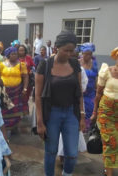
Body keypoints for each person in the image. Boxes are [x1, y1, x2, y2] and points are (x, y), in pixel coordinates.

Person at [35, 30, 85, 176]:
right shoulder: (44, 65)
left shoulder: (75, 64)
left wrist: (82, 115)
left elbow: (79, 92)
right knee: (51, 151)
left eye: (72, 51)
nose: (70, 54)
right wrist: (40, 122)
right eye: (66, 50)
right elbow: (37, 96)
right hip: (52, 114)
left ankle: (67, 174)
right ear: (57, 48)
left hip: (71, 113)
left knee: (72, 154)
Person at [90, 47, 118, 176]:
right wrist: (95, 113)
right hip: (106, 112)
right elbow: (98, 94)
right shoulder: (107, 71)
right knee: (110, 141)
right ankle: (109, 172)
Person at [0, 46, 29, 129]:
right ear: (8, 55)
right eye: (13, 54)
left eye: (16, 54)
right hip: (5, 92)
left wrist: (25, 89)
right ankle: (5, 127)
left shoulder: (21, 65)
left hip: (17, 91)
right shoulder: (2, 64)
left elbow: (25, 77)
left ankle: (15, 127)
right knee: (4, 109)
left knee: (16, 110)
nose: (15, 55)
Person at [79, 42, 98, 132]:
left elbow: (96, 77)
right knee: (82, 111)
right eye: (86, 54)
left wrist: (97, 90)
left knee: (91, 111)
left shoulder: (94, 63)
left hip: (91, 93)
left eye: (90, 54)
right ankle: (81, 129)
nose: (88, 56)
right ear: (82, 53)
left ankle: (87, 130)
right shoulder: (78, 63)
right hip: (81, 93)